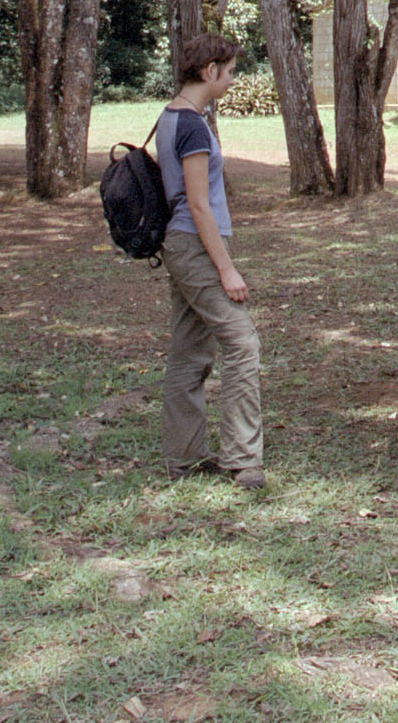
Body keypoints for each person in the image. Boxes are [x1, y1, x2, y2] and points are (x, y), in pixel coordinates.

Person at [158, 32, 265, 489]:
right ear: (209, 71)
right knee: (242, 342)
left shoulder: (171, 116)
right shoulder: (194, 125)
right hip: (194, 243)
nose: (233, 79)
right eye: (230, 71)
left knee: (189, 350)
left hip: (180, 243)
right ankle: (243, 460)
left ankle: (183, 458)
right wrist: (226, 268)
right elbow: (198, 204)